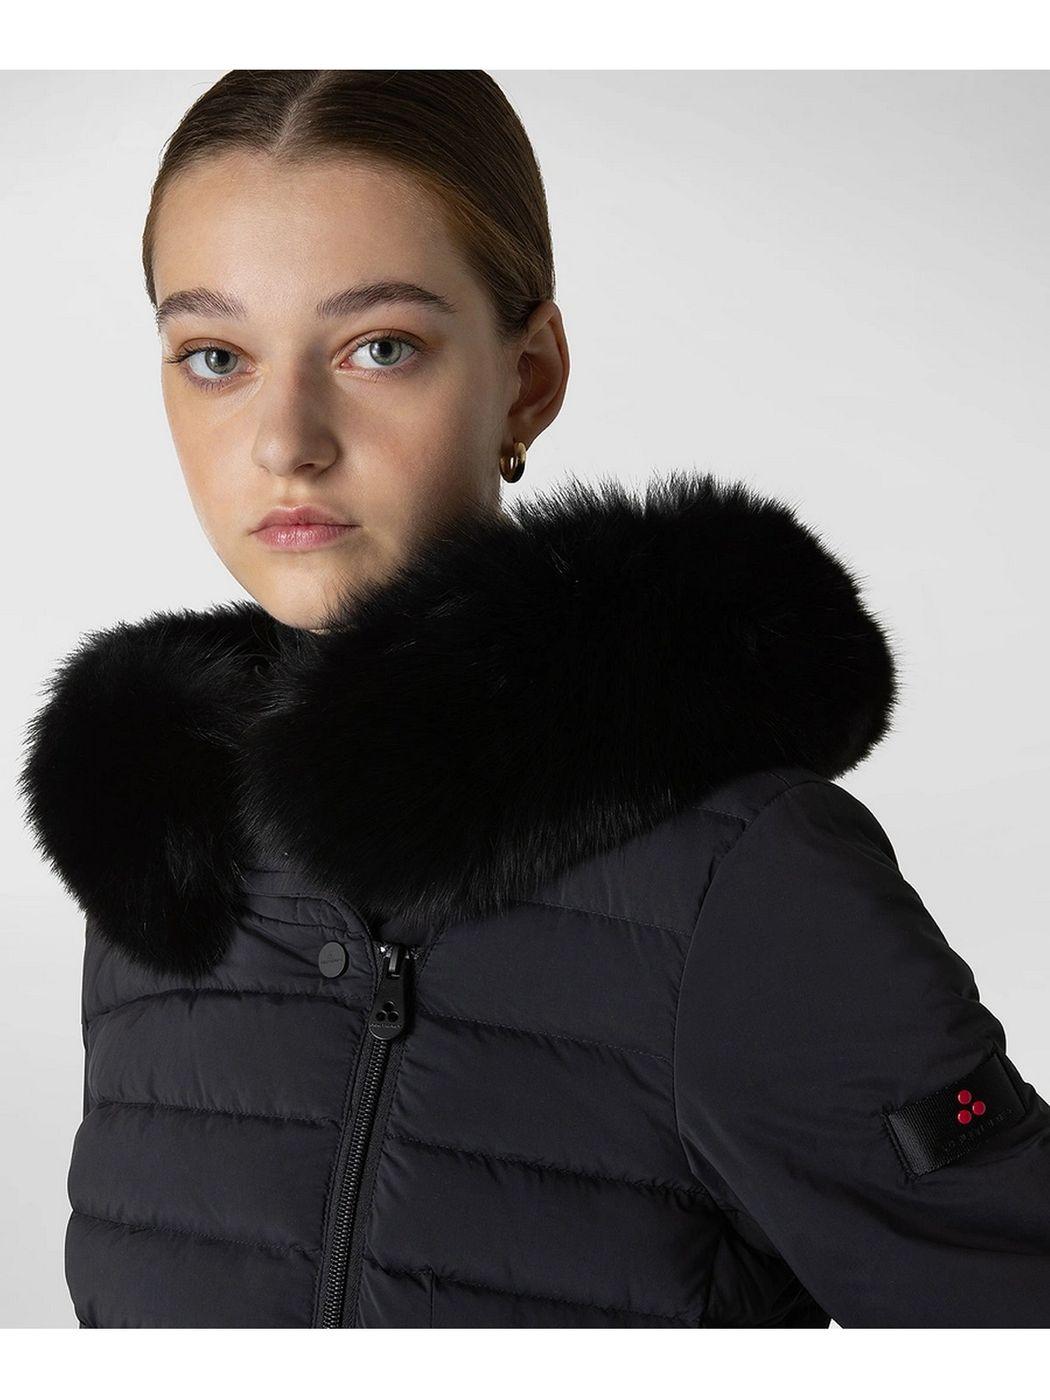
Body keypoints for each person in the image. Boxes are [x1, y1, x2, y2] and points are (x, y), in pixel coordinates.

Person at [18, 69, 1050, 1330]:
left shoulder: (743, 881)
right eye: (216, 357)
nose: (286, 439)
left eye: (378, 346)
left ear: (529, 379)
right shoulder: (161, 847)